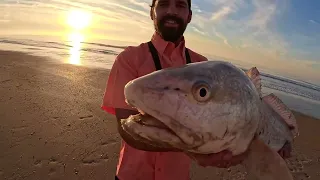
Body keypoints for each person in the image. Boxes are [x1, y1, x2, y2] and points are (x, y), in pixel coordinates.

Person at [101, 0, 292, 179]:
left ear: (190, 15)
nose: (171, 11)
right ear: (152, 11)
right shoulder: (129, 59)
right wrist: (195, 150)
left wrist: (273, 148)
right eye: (164, 4)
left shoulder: (204, 65)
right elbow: (125, 126)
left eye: (180, 5)